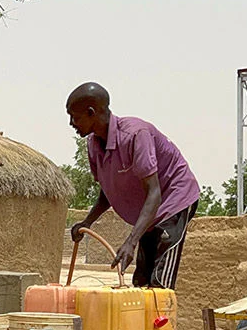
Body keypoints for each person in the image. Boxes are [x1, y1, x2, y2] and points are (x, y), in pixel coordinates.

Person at [67, 82, 200, 289]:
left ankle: (161, 319)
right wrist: (88, 221)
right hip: (147, 213)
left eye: (74, 117)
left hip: (173, 200)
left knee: (159, 284)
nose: (71, 123)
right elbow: (107, 191)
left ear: (91, 112)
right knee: (141, 283)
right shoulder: (93, 145)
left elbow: (154, 193)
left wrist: (131, 241)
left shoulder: (136, 135)